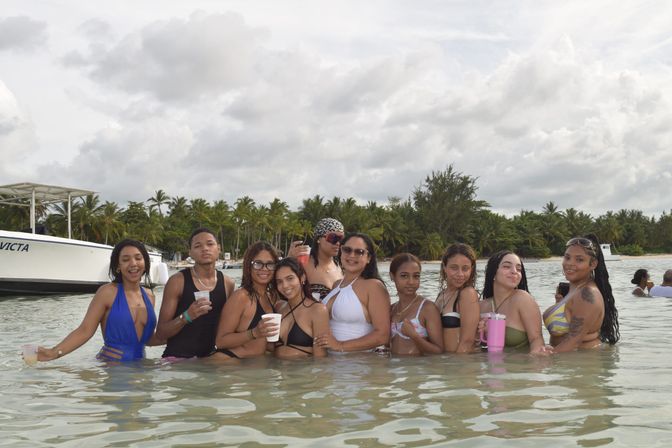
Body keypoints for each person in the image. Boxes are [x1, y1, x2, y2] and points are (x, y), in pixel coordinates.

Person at [35, 239, 162, 362]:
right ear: (118, 266)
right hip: (112, 368)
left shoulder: (150, 296)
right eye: (125, 259)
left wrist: (181, 324)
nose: (133, 263)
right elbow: (85, 330)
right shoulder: (107, 292)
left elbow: (148, 339)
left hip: (141, 371)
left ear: (145, 263)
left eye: (138, 258)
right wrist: (53, 353)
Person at [156, 228, 235, 359]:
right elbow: (161, 333)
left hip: (210, 361)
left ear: (219, 248)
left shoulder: (228, 283)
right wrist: (187, 316)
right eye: (198, 246)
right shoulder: (177, 281)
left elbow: (229, 328)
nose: (205, 249)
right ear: (190, 253)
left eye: (210, 244)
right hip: (177, 360)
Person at [315, 233, 391, 353]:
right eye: (347, 250)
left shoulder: (373, 286)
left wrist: (340, 345)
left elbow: (383, 335)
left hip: (357, 366)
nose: (351, 255)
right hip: (331, 365)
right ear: (341, 251)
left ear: (369, 258)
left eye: (359, 252)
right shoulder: (336, 284)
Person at [546, 235, 620, 352]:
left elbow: (573, 342)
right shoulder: (576, 289)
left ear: (593, 264)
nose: (570, 263)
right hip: (571, 362)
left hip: (582, 364)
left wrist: (538, 360)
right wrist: (560, 305)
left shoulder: (587, 294)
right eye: (567, 257)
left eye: (579, 259)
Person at [212, 241, 281, 359]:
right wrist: (254, 333)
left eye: (270, 264)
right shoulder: (241, 297)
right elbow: (220, 341)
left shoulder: (272, 297)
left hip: (251, 368)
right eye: (258, 264)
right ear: (249, 266)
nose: (264, 269)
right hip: (229, 364)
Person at [479, 250, 547, 354]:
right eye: (507, 266)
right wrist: (481, 334)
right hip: (491, 367)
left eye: (518, 269)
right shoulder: (481, 306)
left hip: (520, 368)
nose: (514, 271)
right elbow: (476, 348)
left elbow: (537, 341)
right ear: (493, 273)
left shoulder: (522, 299)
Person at [272, 257, 330, 359]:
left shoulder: (317, 310)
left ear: (302, 277)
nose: (285, 285)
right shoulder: (278, 307)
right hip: (275, 371)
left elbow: (321, 358)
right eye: (279, 282)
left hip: (302, 372)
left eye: (290, 278)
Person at [389, 253, 443, 356]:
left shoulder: (427, 308)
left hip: (417, 369)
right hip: (394, 369)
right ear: (392, 276)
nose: (411, 282)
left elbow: (438, 351)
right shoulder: (392, 309)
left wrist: (414, 336)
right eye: (404, 276)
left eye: (416, 276)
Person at [434, 243, 480, 353]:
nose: (460, 274)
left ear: (471, 269)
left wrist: (458, 366)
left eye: (465, 269)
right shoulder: (441, 295)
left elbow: (467, 341)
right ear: (444, 267)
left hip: (461, 362)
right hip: (445, 363)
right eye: (454, 268)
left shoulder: (467, 294)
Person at [288, 218, 345, 300]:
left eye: (341, 239)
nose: (338, 243)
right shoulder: (303, 264)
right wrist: (288, 260)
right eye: (333, 238)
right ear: (318, 239)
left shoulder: (343, 266)